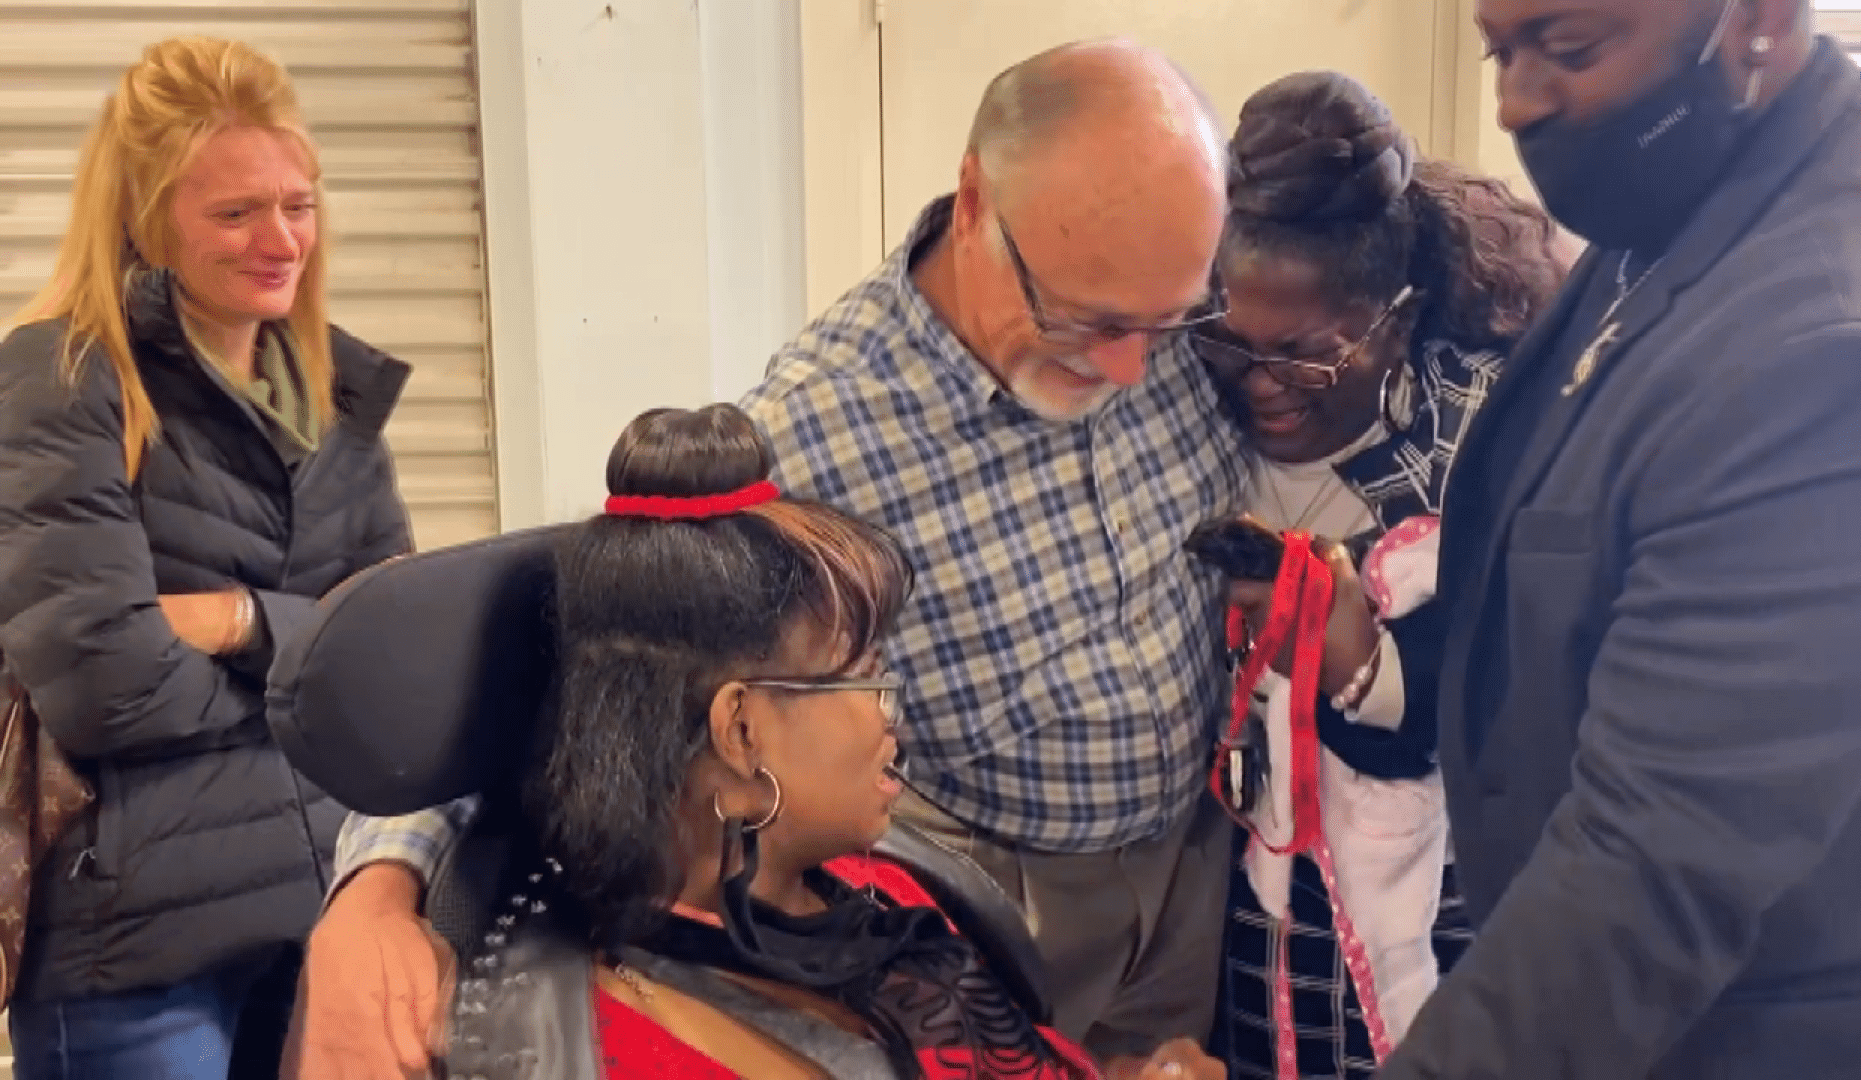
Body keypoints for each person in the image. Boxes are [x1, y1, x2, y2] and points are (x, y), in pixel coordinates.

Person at [288, 38, 1247, 1080]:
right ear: (974, 204)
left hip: (1185, 863)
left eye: (1169, 319)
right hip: (1006, 893)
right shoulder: (817, 430)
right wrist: (378, 890)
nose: (1133, 366)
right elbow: (591, 670)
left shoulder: (1168, 318)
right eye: (1086, 320)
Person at [323, 403, 1222, 1079]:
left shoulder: (874, 883)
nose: (888, 714)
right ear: (742, 730)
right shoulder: (638, 1040)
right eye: (863, 672)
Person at [1375, 1, 1861, 1076]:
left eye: (1571, 48)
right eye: (1499, 49)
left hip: (1733, 1032)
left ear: (1757, 19)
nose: (1515, 99)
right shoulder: (1692, 191)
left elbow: (1652, 869)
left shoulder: (1838, 346)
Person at [0, 35, 414, 1080]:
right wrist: (308, 667)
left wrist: (237, 622)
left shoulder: (329, 394)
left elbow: (394, 654)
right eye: (235, 213)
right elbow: (105, 688)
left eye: (298, 204)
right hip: (136, 955)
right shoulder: (66, 378)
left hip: (318, 919)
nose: (281, 240)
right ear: (149, 220)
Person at [1194, 72, 1561, 1079]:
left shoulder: (1487, 445)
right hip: (1242, 925)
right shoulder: (1183, 410)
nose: (1262, 386)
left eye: (1306, 359)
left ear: (1395, 321)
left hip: (1428, 923)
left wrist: (1355, 654)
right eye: (1232, 341)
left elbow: (1504, 714)